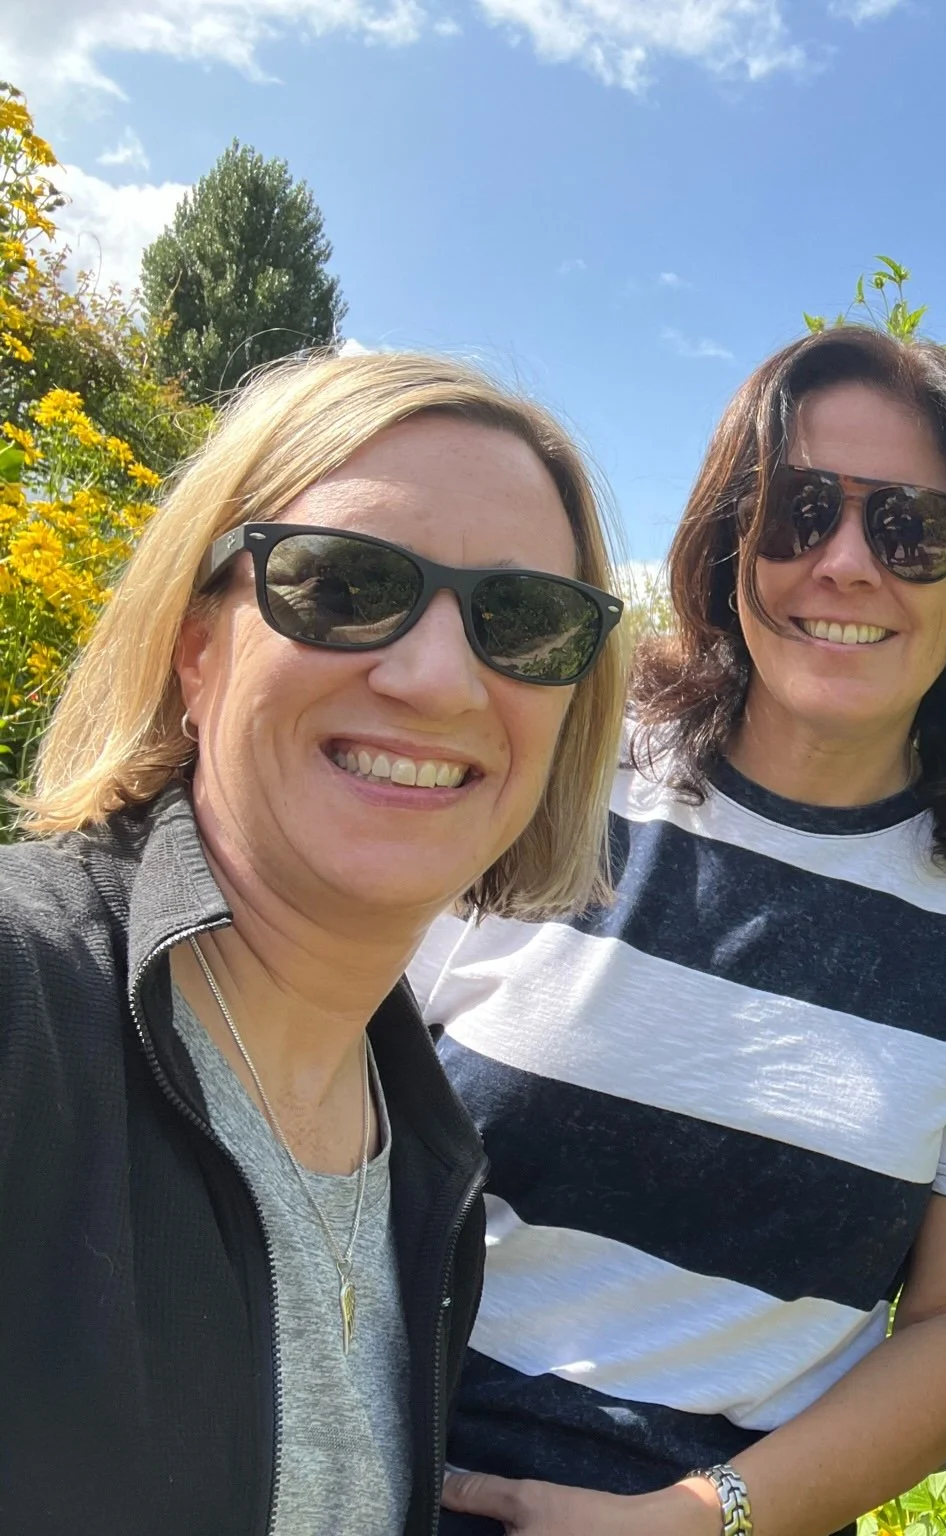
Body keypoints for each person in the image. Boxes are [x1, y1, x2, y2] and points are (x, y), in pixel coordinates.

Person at [415, 326, 946, 1536]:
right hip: (381, 1465)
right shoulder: (550, 778)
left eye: (911, 530)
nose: (844, 564)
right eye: (797, 510)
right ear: (731, 541)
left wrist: (696, 1515)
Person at [0, 351, 630, 1536]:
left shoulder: (423, 1149)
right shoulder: (23, 1007)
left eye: (524, 620)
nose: (440, 678)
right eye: (344, 584)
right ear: (197, 646)